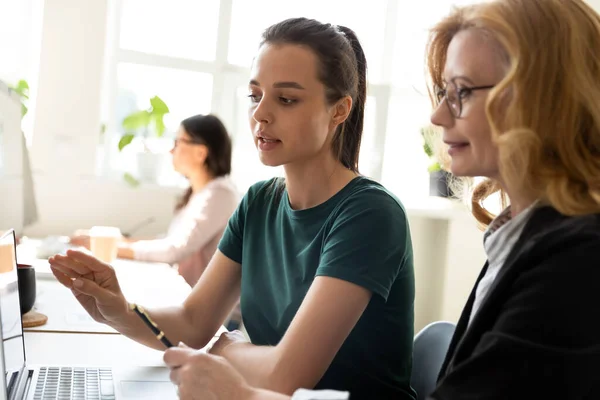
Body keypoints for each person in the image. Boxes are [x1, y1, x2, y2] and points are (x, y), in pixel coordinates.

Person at [159, 0, 600, 399]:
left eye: (462, 91)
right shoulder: (521, 241)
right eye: (444, 92)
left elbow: (281, 374)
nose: (438, 115)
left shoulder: (574, 259)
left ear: (545, 97)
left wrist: (240, 386)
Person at [49, 17, 416, 400]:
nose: (261, 114)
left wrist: (225, 349)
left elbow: (284, 377)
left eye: (286, 99)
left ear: (339, 110)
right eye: (255, 96)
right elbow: (193, 324)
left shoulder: (370, 214)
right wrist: (121, 310)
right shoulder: (259, 202)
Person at [71, 114, 240, 288]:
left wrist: (106, 246)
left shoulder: (220, 194)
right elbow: (169, 241)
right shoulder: (201, 193)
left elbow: (174, 250)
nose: (171, 150)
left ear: (201, 153)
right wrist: (116, 241)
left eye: (177, 142)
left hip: (211, 309)